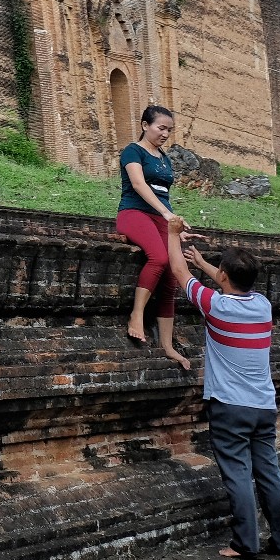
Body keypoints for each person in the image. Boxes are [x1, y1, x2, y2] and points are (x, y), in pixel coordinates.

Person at [164, 213, 280, 559]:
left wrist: (172, 234)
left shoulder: (216, 306)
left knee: (237, 474)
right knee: (269, 471)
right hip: (263, 406)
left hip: (229, 405)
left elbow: (180, 273)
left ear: (223, 277)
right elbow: (230, 282)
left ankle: (245, 543)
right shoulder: (263, 306)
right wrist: (208, 263)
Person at [118, 103, 189, 367]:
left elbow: (164, 197)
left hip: (160, 217)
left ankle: (168, 345)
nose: (166, 134)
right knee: (158, 258)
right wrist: (166, 216)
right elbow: (138, 185)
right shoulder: (132, 151)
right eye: (161, 128)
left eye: (169, 130)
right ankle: (136, 315)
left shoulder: (164, 157)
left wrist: (176, 228)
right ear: (145, 125)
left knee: (172, 274)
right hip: (134, 213)